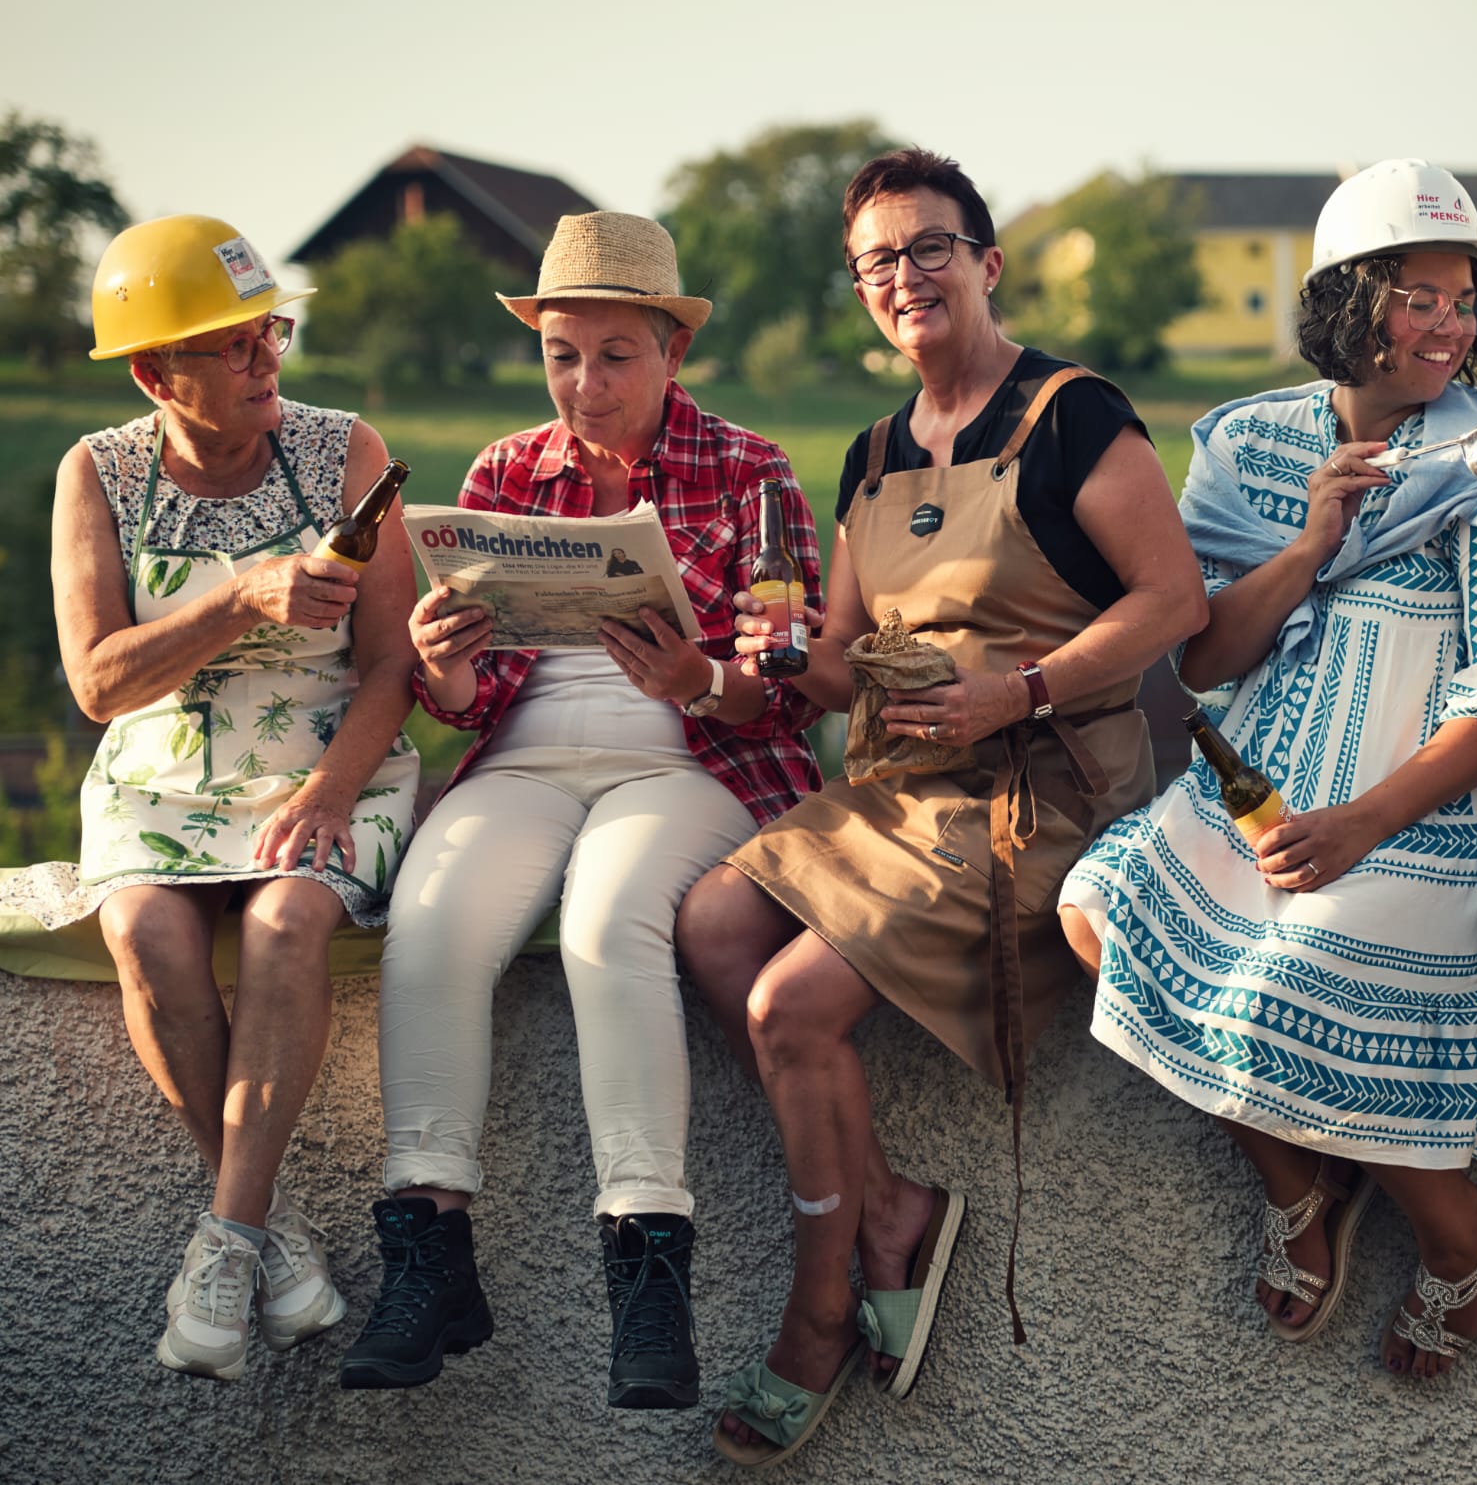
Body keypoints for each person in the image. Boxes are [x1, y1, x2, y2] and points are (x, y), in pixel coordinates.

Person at [678, 147, 1206, 1465]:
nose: (904, 277)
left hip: (1039, 795)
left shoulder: (1075, 415)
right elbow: (850, 657)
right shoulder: (866, 455)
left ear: (986, 262)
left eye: (928, 248)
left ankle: (816, 1306)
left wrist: (1015, 689)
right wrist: (781, 664)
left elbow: (1171, 602)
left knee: (788, 1005)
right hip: (900, 788)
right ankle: (893, 1204)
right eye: (878, 262)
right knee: (710, 924)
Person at [1059, 160, 1477, 1379]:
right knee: (1095, 912)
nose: (1448, 323)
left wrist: (1360, 824)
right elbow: (1205, 652)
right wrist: (1312, 541)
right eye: (1417, 295)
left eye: (1461, 298)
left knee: (1299, 968)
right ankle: (1302, 1188)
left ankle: (1463, 1225)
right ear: (1347, 301)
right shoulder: (1247, 443)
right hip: (1259, 779)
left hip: (1427, 800)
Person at [335, 212, 824, 1409]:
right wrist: (441, 661)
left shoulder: (751, 471)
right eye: (562, 353)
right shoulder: (505, 470)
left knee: (612, 924)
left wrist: (695, 674)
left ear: (671, 354)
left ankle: (648, 1269)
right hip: (521, 763)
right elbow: (465, 701)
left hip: (687, 763)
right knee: (435, 917)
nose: (585, 382)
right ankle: (428, 1247)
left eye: (614, 354)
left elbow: (788, 687)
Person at [0, 215, 420, 1379]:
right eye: (231, 347)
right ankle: (264, 1233)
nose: (265, 360)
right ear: (152, 373)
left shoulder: (343, 450)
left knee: (288, 919)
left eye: (268, 331)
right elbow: (96, 681)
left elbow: (393, 665)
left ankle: (227, 1239)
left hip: (327, 762)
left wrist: (335, 790)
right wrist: (238, 595)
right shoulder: (100, 469)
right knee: (142, 926)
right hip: (163, 773)